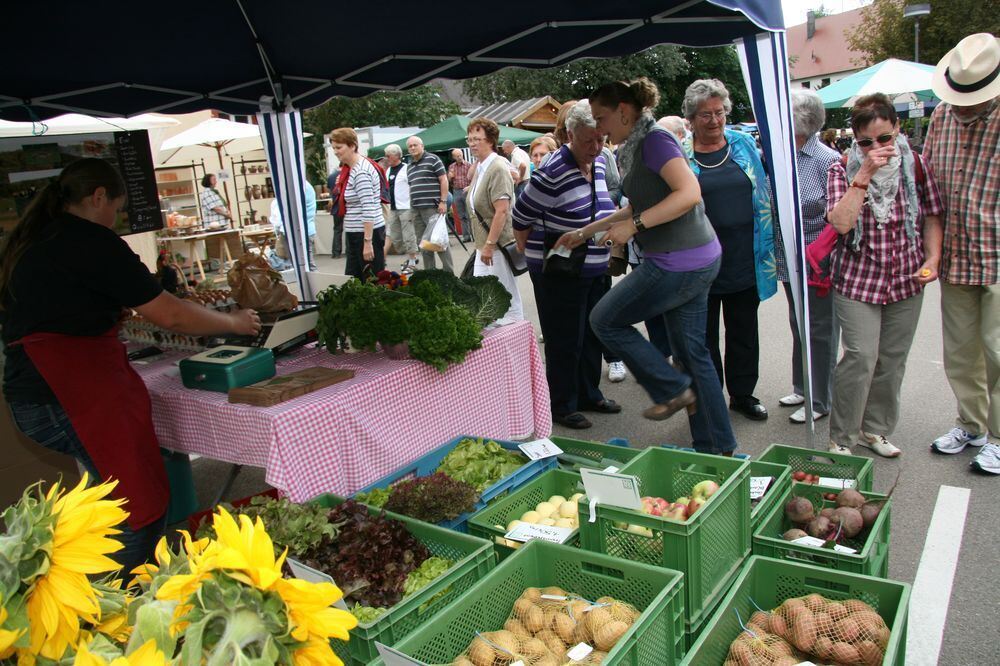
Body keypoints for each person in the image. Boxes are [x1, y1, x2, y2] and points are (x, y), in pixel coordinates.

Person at [0, 159, 261, 573]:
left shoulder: (38, 237)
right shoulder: (91, 241)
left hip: (33, 393)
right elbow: (170, 315)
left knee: (110, 494)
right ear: (98, 197)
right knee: (134, 504)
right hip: (65, 392)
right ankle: (123, 595)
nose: (117, 220)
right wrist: (233, 322)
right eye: (118, 210)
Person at [577, 77, 737, 455]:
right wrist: (586, 231)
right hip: (693, 259)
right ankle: (717, 447)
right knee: (692, 354)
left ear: (624, 111)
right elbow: (640, 202)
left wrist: (632, 227)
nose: (599, 128)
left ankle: (671, 388)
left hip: (680, 263)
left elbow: (689, 193)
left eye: (602, 118)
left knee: (604, 320)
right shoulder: (635, 146)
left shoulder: (655, 141)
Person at [826, 93, 943, 457]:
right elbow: (841, 223)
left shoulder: (917, 166)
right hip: (859, 279)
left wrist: (933, 258)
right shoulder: (841, 168)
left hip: (906, 278)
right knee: (860, 356)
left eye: (884, 138)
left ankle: (873, 430)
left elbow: (932, 216)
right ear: (855, 142)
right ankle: (842, 438)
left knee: (892, 359)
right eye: (865, 142)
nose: (876, 147)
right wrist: (863, 173)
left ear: (897, 130)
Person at [512, 100, 620, 430]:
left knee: (590, 334)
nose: (596, 147)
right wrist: (534, 257)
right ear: (570, 134)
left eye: (601, 138)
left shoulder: (599, 161)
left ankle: (589, 394)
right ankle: (561, 405)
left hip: (594, 267)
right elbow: (521, 216)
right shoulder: (552, 171)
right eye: (588, 140)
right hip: (560, 272)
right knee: (565, 340)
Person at [923, 33, 1000, 474]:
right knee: (961, 351)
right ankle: (971, 424)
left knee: (997, 351)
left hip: (996, 253)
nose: (963, 105)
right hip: (954, 255)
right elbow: (929, 182)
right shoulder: (942, 117)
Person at [681, 78, 777, 422]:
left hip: (744, 253)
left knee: (743, 329)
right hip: (698, 258)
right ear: (691, 118)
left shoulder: (742, 144)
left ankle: (742, 394)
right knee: (701, 335)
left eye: (719, 112)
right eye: (705, 114)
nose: (714, 120)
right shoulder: (681, 153)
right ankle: (710, 396)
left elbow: (764, 187)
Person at [775, 90, 842, 423]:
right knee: (797, 323)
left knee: (820, 329)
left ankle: (820, 399)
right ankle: (802, 387)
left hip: (819, 259)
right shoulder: (781, 154)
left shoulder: (826, 160)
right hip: (790, 256)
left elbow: (834, 216)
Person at [465, 118, 523, 322]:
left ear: (490, 140)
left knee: (501, 297)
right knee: (491, 295)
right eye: (469, 139)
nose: (471, 143)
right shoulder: (481, 167)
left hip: (495, 245)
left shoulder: (497, 167)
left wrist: (489, 245)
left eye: (476, 139)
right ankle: (503, 338)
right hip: (484, 244)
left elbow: (502, 211)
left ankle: (514, 337)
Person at [331, 127, 386, 279]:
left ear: (352, 146)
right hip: (354, 232)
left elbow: (368, 208)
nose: (335, 151)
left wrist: (367, 242)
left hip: (367, 233)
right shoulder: (349, 170)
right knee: (354, 280)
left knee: (371, 280)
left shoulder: (361, 171)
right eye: (334, 147)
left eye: (339, 147)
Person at [406, 136, 453, 272]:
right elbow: (412, 187)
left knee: (438, 242)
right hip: (416, 209)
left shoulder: (433, 159)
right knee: (425, 245)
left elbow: (444, 180)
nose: (413, 148)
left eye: (415, 145)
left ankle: (449, 273)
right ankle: (430, 274)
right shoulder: (409, 167)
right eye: (410, 146)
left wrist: (443, 201)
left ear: (422, 146)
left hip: (432, 208)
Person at [383, 144, 419, 272]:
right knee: (395, 237)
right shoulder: (388, 170)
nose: (386, 158)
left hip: (406, 207)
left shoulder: (406, 169)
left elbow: (413, 186)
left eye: (389, 155)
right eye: (386, 155)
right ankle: (411, 255)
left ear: (397, 156)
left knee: (409, 235)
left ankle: (412, 261)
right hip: (393, 208)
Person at [268, 183, 318, 270]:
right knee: (304, 264)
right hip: (301, 230)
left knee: (306, 264)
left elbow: (288, 210)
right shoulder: (302, 185)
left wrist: (278, 227)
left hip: (298, 230)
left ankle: (315, 282)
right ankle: (313, 282)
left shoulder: (298, 185)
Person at [448, 148, 474, 241]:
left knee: (470, 214)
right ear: (454, 157)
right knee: (461, 215)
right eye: (457, 156)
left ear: (462, 154)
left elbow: (474, 179)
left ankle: (474, 235)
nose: (459, 157)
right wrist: (450, 177)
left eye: (460, 155)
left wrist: (470, 187)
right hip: (456, 191)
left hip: (467, 190)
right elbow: (448, 181)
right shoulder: (452, 167)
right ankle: (466, 236)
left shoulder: (468, 165)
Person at [326, 166, 345, 259]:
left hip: (336, 206)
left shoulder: (331, 176)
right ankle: (350, 252)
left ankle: (336, 253)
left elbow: (330, 190)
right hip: (347, 206)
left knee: (337, 230)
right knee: (351, 230)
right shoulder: (348, 173)